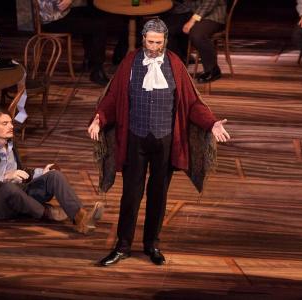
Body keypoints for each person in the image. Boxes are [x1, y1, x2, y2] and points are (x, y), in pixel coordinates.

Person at [88, 19, 230, 266]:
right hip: (136, 138)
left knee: (158, 195)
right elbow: (113, 97)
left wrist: (212, 123)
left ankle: (151, 244)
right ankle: (122, 246)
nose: (154, 47)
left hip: (165, 140)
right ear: (144, 39)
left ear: (165, 41)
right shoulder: (130, 63)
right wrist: (99, 119)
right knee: (131, 195)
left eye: (159, 42)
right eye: (150, 41)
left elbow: (192, 103)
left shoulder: (175, 64)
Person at [0, 107, 104, 234]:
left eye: (11, 122)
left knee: (54, 176)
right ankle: (47, 212)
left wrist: (42, 172)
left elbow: (22, 173)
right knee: (8, 188)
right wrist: (5, 177)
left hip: (20, 194)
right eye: (5, 123)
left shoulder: (10, 146)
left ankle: (81, 218)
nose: (11, 126)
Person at [37, 0, 110, 85]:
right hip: (53, 20)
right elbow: (61, 5)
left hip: (59, 14)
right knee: (99, 26)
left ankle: (89, 59)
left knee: (93, 12)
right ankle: (97, 71)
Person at [163, 0, 227, 83]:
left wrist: (192, 21)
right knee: (167, 30)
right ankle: (179, 65)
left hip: (212, 16)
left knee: (197, 35)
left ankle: (212, 70)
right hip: (191, 13)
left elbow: (207, 5)